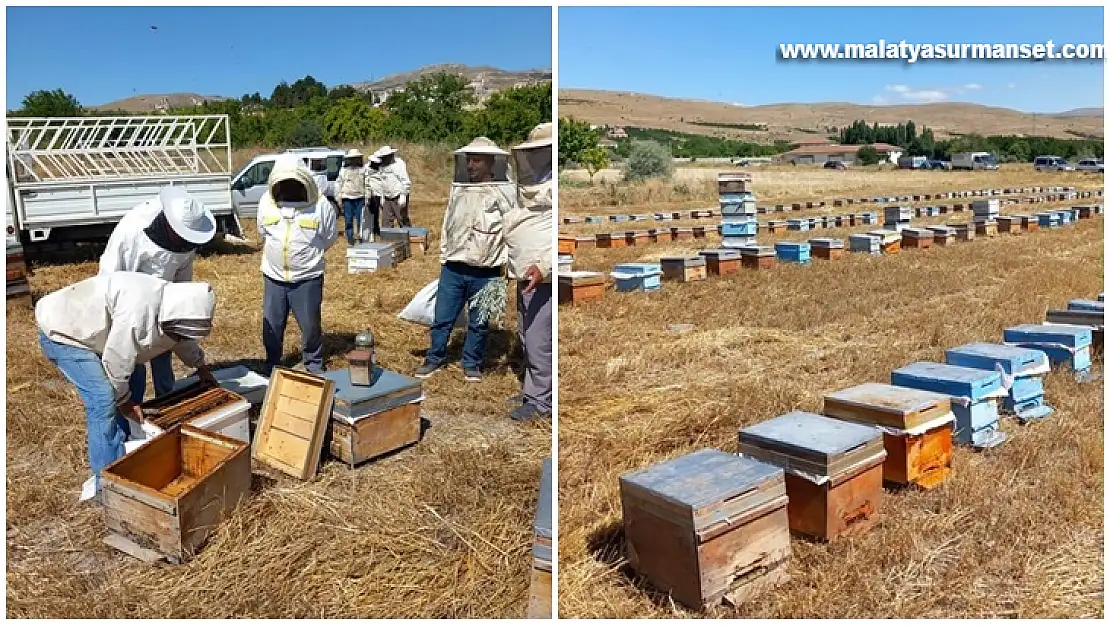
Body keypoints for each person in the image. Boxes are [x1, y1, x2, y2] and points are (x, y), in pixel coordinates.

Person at [35, 273, 218, 497]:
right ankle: (107, 487)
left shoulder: (177, 308)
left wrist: (201, 368)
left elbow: (182, 339)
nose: (177, 337)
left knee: (134, 376)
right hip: (64, 331)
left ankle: (123, 448)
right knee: (103, 400)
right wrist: (123, 402)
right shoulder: (138, 312)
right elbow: (116, 360)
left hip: (97, 330)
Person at [98, 186, 216, 405]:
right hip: (129, 309)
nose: (185, 242)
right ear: (169, 223)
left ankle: (166, 401)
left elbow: (182, 286)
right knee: (133, 369)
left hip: (164, 306)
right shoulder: (132, 230)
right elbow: (110, 279)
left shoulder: (188, 237)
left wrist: (199, 364)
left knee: (165, 356)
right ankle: (132, 411)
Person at [416, 137, 515, 382]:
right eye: (469, 160)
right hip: (453, 267)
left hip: (488, 270)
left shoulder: (504, 192)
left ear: (491, 163)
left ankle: (472, 363)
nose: (470, 165)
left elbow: (511, 231)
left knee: (480, 322)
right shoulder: (458, 190)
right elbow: (447, 224)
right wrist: (443, 257)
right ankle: (434, 358)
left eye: (477, 160)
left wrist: (507, 268)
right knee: (442, 319)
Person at [257, 155, 338, 375]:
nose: (289, 187)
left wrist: (305, 258)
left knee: (310, 324)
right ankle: (272, 361)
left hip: (307, 278)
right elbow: (262, 231)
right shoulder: (267, 201)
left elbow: (329, 237)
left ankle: (313, 363)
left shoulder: (321, 205)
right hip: (273, 277)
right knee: (271, 324)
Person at [503, 122, 553, 422]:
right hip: (524, 276)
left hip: (542, 278)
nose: (533, 161)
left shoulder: (555, 191)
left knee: (538, 341)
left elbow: (556, 240)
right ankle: (533, 390)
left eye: (539, 154)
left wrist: (544, 268)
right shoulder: (526, 191)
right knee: (526, 336)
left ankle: (542, 404)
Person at [334, 149, 367, 245]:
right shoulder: (344, 170)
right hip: (347, 198)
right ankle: (350, 240)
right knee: (348, 221)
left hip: (360, 198)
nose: (354, 160)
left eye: (355, 158)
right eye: (352, 159)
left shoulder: (363, 169)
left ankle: (362, 239)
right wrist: (338, 197)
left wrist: (368, 196)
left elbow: (367, 183)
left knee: (361, 220)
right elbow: (338, 184)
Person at [375, 145, 413, 228]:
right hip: (387, 198)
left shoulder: (399, 164)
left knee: (402, 220)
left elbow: (405, 181)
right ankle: (388, 240)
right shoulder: (381, 166)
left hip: (398, 196)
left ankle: (408, 238)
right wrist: (381, 196)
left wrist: (403, 195)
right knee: (386, 222)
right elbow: (381, 182)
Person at [362, 155, 384, 242]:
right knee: (370, 215)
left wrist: (383, 196)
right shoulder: (365, 169)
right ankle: (371, 232)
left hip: (379, 194)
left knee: (377, 214)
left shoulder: (381, 170)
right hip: (370, 194)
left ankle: (376, 230)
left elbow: (383, 182)